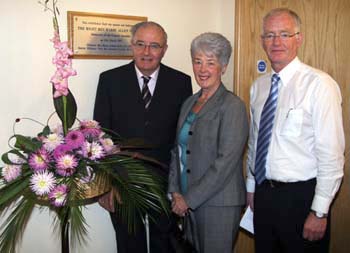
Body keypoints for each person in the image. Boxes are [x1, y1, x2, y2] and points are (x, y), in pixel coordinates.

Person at [246, 8, 345, 253]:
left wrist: (319, 211)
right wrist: (251, 190)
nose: (276, 42)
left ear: (298, 39)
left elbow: (331, 154)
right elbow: (255, 142)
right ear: (262, 41)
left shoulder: (320, 85)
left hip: (301, 200)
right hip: (263, 196)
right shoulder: (258, 87)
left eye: (284, 34)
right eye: (269, 35)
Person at [93, 21, 192, 253]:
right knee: (129, 245)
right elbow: (101, 137)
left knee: (165, 244)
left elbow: (184, 139)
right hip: (122, 184)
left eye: (154, 46)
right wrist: (105, 185)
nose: (147, 52)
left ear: (164, 49)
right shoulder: (109, 80)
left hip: (166, 183)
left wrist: (181, 188)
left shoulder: (181, 82)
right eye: (140, 44)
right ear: (132, 46)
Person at [168, 32, 249, 253]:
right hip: (186, 200)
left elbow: (225, 163)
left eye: (210, 63)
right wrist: (175, 191)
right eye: (198, 61)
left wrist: (188, 199)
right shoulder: (189, 102)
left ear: (223, 66)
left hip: (219, 204)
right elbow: (177, 150)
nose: (202, 69)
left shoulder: (233, 106)